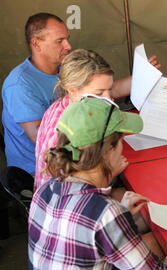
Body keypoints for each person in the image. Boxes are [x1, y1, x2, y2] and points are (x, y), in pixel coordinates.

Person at [28, 97, 167, 270]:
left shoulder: (45, 190)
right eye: (122, 141)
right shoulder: (106, 214)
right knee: (165, 257)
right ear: (108, 151)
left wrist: (119, 214)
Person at [1, 12, 160, 175]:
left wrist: (142, 77)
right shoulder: (19, 84)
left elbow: (105, 91)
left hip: (78, 159)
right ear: (36, 44)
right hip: (46, 171)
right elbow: (41, 138)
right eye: (59, 41)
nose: (68, 46)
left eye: (67, 38)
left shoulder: (63, 68)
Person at [35, 48, 118, 190]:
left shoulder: (73, 108)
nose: (108, 98)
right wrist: (113, 172)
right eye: (99, 93)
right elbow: (74, 192)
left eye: (109, 89)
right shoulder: (64, 132)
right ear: (72, 90)